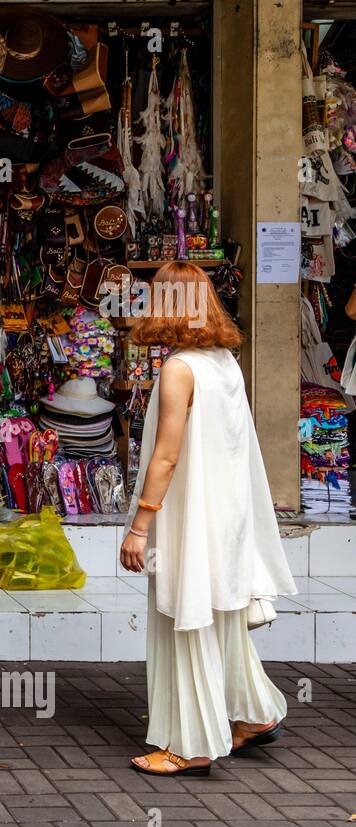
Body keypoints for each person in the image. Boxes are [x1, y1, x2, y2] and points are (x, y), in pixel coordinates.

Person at [121, 262, 296, 777]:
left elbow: (166, 457)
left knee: (188, 619)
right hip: (225, 514)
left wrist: (139, 525)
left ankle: (193, 744)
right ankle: (256, 715)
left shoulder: (179, 368)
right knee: (219, 618)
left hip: (188, 515)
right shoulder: (224, 361)